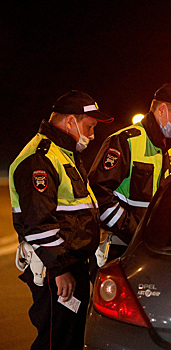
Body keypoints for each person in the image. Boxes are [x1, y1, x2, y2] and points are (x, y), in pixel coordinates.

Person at [9, 90, 114, 350]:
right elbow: (37, 222)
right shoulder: (40, 158)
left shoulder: (63, 153)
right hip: (56, 269)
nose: (92, 135)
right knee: (56, 340)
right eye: (89, 127)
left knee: (71, 337)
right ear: (70, 122)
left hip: (71, 264)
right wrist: (60, 270)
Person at [88, 82, 171, 264]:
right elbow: (98, 193)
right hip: (121, 248)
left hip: (162, 251)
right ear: (162, 109)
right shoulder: (124, 141)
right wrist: (134, 231)